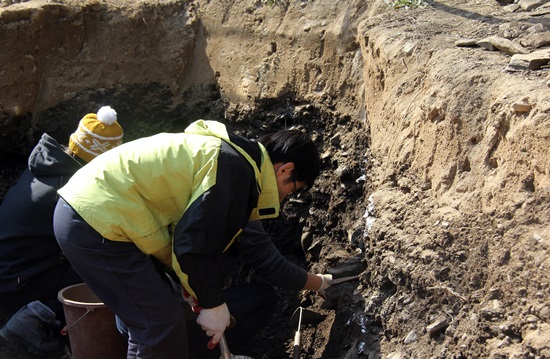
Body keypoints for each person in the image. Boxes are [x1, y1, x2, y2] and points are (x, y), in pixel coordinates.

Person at [52, 119, 332, 359]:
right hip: (97, 220)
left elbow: (186, 234)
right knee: (157, 323)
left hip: (93, 214)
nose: (285, 198)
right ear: (285, 170)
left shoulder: (229, 159)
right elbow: (194, 246)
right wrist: (212, 304)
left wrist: (194, 290)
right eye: (293, 189)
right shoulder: (235, 171)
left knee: (159, 316)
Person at [0, 106, 124, 356]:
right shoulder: (72, 190)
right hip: (15, 285)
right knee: (113, 275)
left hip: (12, 269)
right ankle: (33, 322)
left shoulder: (46, 166)